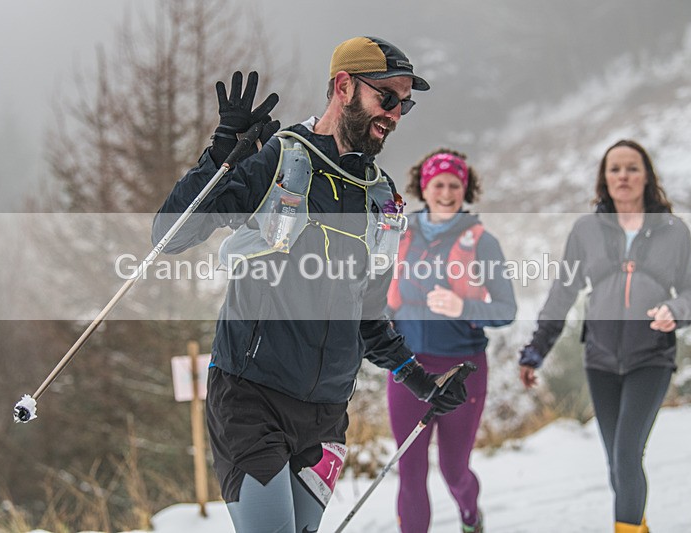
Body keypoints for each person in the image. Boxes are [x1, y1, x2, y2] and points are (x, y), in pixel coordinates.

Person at [152, 37, 470, 533]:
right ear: (344, 86)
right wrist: (220, 155)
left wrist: (420, 380)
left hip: (325, 415)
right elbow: (170, 235)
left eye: (405, 104)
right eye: (387, 97)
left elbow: (368, 316)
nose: (396, 114)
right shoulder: (281, 161)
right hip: (250, 398)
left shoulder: (380, 199)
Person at [518, 139, 691, 533]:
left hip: (651, 356)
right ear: (604, 178)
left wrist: (677, 311)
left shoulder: (674, 231)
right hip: (600, 358)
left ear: (647, 176)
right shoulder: (586, 230)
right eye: (615, 168)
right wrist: (536, 349)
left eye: (632, 168)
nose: (623, 176)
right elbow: (563, 292)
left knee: (626, 453)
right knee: (616, 460)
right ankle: (637, 524)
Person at [385, 149, 517, 533]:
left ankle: (470, 517)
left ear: (465, 189)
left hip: (463, 370)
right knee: (410, 468)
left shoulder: (483, 242)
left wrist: (464, 306)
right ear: (423, 188)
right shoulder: (399, 235)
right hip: (407, 367)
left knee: (453, 467)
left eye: (454, 185)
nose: (445, 192)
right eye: (437, 184)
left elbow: (506, 309)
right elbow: (378, 294)